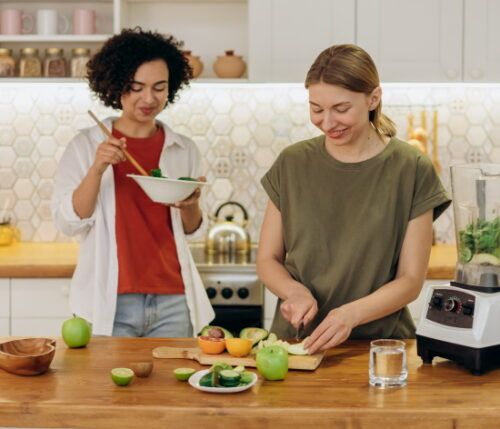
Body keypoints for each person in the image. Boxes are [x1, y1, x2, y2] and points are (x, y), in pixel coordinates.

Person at [257, 44, 451, 354]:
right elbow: (267, 259)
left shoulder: (411, 168)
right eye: (316, 109)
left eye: (341, 108)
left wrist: (350, 315)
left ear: (373, 98)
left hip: (381, 348)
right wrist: (293, 292)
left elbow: (411, 279)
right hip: (296, 345)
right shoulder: (291, 163)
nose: (327, 122)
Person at [52, 28, 214, 337]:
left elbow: (190, 229)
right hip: (110, 299)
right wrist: (97, 168)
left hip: (174, 299)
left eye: (159, 87)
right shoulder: (86, 146)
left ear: (172, 88)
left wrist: (191, 204)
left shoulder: (184, 149)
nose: (149, 98)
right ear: (115, 86)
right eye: (135, 87)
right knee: (110, 385)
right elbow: (69, 222)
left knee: (170, 387)